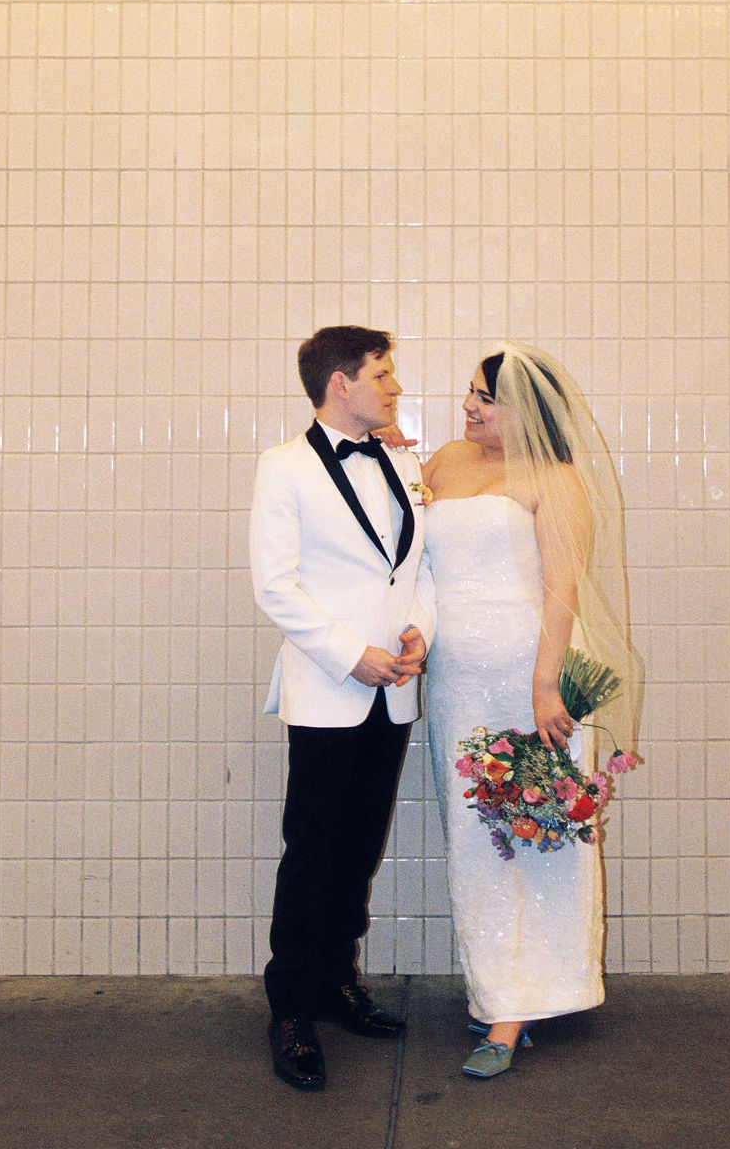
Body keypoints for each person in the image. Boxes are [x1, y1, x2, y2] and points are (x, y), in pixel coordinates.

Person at [421, 343, 643, 1079]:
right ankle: (497, 985)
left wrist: (546, 686)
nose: (469, 406)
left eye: (485, 397)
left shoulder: (557, 477)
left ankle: (520, 1007)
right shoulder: (445, 462)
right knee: (474, 833)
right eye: (469, 392)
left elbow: (561, 589)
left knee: (537, 832)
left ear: (523, 407)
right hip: (458, 680)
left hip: (530, 676)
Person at [249, 325, 435, 1092]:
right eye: (382, 374)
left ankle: (336, 982)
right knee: (313, 850)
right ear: (340, 384)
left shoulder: (403, 460)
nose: (394, 387)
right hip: (330, 688)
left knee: (358, 848)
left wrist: (421, 631)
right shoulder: (284, 467)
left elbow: (416, 570)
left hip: (393, 691)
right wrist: (350, 653)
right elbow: (274, 585)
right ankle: (291, 1009)